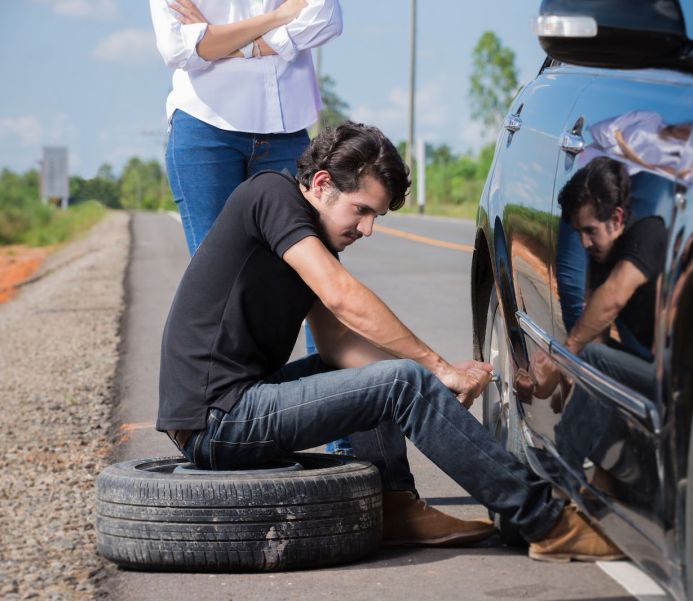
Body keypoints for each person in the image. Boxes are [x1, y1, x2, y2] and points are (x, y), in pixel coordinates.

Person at [155, 122, 623, 561]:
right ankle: (545, 523)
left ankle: (395, 507)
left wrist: (429, 387)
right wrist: (434, 366)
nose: (367, 229)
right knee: (403, 381)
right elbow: (343, 299)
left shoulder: (309, 233)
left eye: (375, 216)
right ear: (321, 184)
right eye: (361, 210)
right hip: (218, 418)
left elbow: (337, 344)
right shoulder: (271, 195)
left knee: (392, 379)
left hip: (234, 407)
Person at [150, 0, 344, 446]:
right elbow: (179, 49)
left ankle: (344, 445)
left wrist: (224, 42)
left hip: (288, 132)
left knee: (321, 282)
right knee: (223, 290)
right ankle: (229, 424)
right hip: (205, 132)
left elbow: (326, 18)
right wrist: (278, 21)